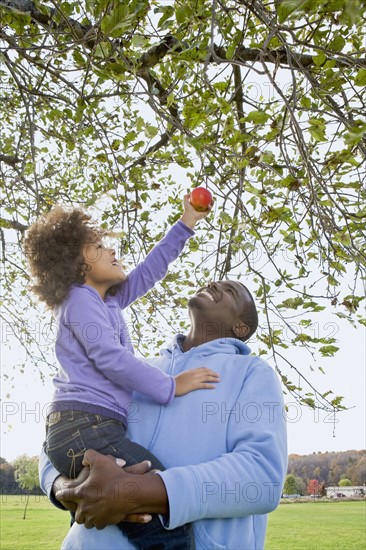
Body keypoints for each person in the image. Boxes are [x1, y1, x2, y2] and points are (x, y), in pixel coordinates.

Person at [24, 196, 218, 550]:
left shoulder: (106, 301)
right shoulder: (79, 299)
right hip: (82, 427)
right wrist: (170, 385)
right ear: (76, 263)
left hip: (87, 428)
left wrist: (186, 223)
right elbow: (110, 358)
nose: (111, 250)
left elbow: (149, 270)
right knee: (158, 497)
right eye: (98, 246)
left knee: (102, 514)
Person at [40, 279, 288, 550]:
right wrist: (62, 485)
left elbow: (261, 477)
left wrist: (140, 493)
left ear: (240, 328)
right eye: (215, 283)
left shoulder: (252, 372)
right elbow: (64, 428)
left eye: (230, 291)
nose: (215, 285)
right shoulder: (135, 369)